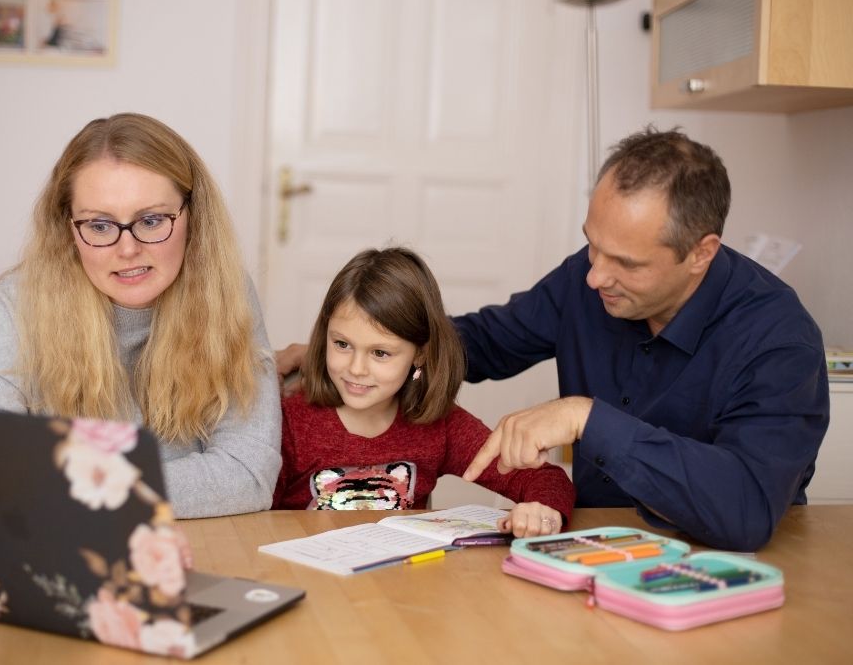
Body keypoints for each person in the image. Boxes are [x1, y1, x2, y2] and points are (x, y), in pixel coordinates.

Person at [278, 127, 829, 551]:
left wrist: (588, 418)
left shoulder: (779, 342)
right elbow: (484, 341)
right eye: (592, 245)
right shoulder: (587, 281)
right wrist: (380, 346)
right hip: (586, 546)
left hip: (716, 561)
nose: (594, 277)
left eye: (626, 263)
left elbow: (747, 510)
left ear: (701, 254)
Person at [0, 113, 281, 518]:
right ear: (67, 227)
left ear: (193, 216)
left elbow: (248, 476)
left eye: (152, 220)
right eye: (100, 225)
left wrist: (64, 487)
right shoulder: (16, 305)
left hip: (200, 545)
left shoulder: (228, 293)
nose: (127, 249)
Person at [273, 247, 575, 537]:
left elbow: (545, 478)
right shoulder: (290, 423)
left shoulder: (440, 426)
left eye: (380, 353)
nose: (356, 368)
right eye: (342, 344)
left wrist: (541, 511)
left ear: (419, 354)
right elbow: (252, 518)